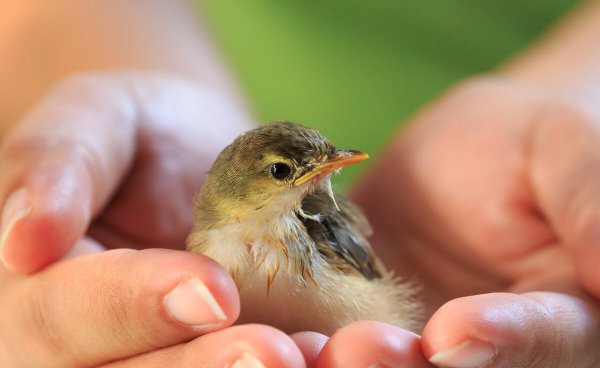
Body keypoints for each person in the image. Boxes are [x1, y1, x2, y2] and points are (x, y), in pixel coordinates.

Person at [1, 1, 599, 367]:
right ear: (245, 185)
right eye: (286, 172)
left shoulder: (318, 224)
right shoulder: (205, 249)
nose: (315, 178)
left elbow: (377, 292)